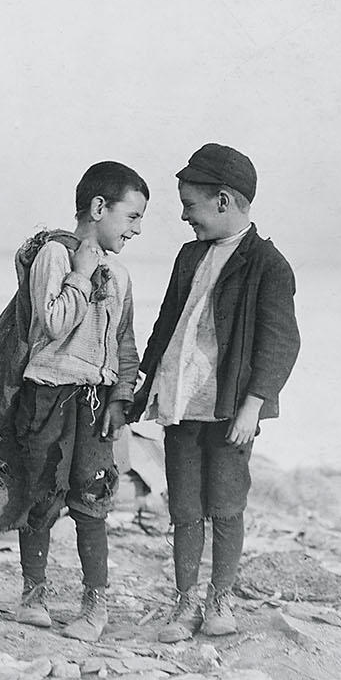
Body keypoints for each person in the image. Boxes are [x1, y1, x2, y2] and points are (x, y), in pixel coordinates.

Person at [130, 143, 300, 642]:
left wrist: (253, 406)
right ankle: (185, 603)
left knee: (225, 505)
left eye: (190, 206)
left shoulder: (268, 264)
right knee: (184, 505)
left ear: (224, 201)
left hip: (229, 411)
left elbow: (281, 341)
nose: (184, 217)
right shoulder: (189, 257)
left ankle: (220, 599)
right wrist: (140, 387)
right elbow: (167, 326)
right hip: (182, 402)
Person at [8, 161, 148, 641]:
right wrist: (82, 275)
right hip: (47, 393)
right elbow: (53, 322)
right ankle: (34, 594)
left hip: (94, 403)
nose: (134, 231)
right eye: (131, 218)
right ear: (97, 207)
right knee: (41, 494)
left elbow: (125, 345)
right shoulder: (55, 254)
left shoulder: (122, 275)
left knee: (92, 499)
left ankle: (95, 606)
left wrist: (120, 401)